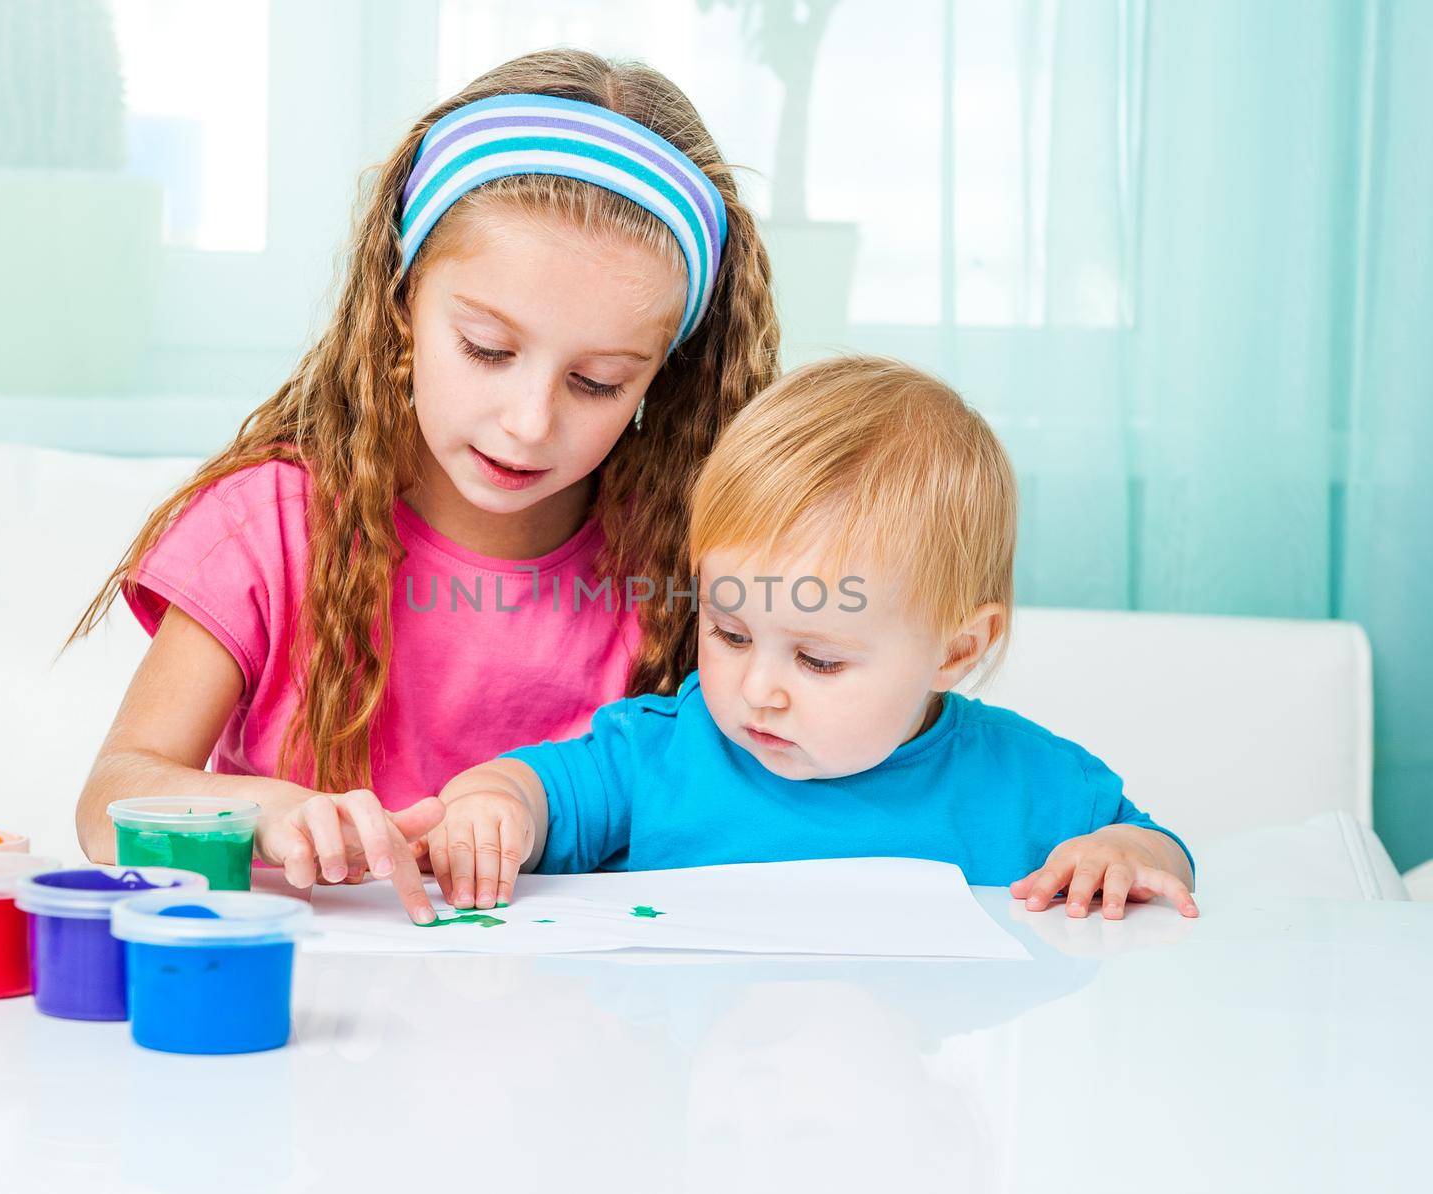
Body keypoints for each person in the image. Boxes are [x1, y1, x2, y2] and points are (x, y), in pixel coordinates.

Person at [69, 49, 779, 921]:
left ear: (660, 379)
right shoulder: (269, 528)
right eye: (486, 348)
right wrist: (271, 814)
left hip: (582, 1024)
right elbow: (110, 804)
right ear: (401, 302)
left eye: (597, 382)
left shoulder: (683, 554)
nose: (528, 421)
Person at [426, 355, 1197, 920]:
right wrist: (495, 807)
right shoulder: (662, 754)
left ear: (956, 651)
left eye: (818, 658)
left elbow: (1156, 851)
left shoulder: (1022, 777)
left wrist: (1128, 858)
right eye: (728, 633)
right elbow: (535, 794)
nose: (759, 689)